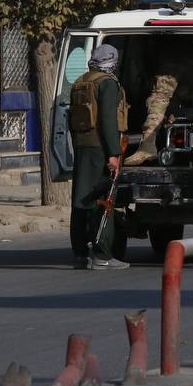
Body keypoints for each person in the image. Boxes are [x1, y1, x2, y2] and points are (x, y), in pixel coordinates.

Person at [68, 44, 130, 270]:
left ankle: (80, 253)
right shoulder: (107, 83)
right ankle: (102, 255)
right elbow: (107, 121)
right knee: (103, 201)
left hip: (83, 146)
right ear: (112, 61)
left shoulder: (81, 81)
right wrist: (114, 153)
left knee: (80, 200)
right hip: (101, 149)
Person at [123, 38, 193, 166]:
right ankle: (169, 142)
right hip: (191, 59)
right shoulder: (189, 46)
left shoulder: (165, 45)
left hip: (173, 58)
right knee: (175, 102)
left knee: (158, 100)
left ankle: (148, 146)